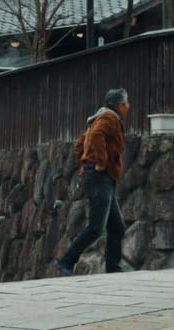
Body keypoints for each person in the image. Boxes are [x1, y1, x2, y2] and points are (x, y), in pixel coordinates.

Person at [57, 88, 131, 276]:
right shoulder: (109, 119)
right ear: (119, 105)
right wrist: (99, 162)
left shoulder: (99, 117)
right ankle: (66, 261)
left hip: (103, 178)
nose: (128, 107)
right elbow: (96, 135)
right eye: (126, 104)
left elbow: (79, 145)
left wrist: (83, 162)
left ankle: (113, 267)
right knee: (96, 227)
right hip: (100, 177)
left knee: (116, 226)